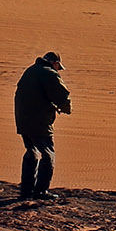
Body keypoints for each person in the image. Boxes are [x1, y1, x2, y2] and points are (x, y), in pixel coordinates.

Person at [14, 51, 72, 200]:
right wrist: (66, 108)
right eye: (58, 67)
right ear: (55, 63)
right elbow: (62, 96)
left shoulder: (31, 70)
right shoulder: (49, 74)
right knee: (48, 155)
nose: (58, 70)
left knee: (31, 152)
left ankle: (26, 190)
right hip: (38, 122)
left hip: (23, 120)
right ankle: (40, 191)